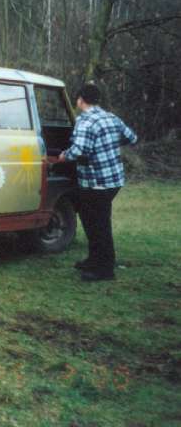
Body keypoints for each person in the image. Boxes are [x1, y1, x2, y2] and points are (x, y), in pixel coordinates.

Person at [58, 83, 137, 282]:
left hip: (96, 182)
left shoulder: (85, 121)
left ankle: (105, 270)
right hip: (114, 180)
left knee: (99, 224)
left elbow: (79, 150)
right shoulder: (111, 117)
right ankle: (94, 260)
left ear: (80, 100)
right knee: (90, 218)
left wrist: (63, 156)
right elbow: (131, 137)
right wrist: (108, 145)